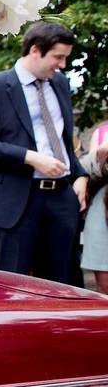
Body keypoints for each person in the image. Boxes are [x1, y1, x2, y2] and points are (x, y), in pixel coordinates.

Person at [0, 22, 88, 284]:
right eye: (58, 57)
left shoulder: (61, 84)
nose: (63, 64)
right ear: (35, 50)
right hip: (16, 202)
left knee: (63, 285)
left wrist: (80, 175)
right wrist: (30, 157)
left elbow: (63, 141)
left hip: (61, 199)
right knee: (16, 287)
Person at [81, 121, 108, 294]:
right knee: (104, 286)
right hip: (103, 209)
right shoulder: (102, 131)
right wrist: (100, 153)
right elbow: (84, 170)